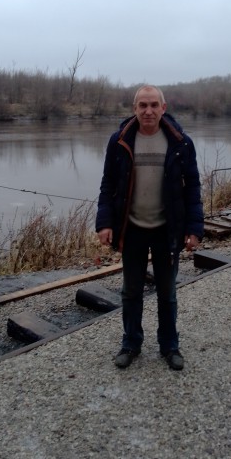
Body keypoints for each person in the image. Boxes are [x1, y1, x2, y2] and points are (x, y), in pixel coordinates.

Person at [96, 85, 204, 370]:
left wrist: (194, 228)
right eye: (142, 105)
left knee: (167, 293)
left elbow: (193, 188)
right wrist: (105, 223)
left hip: (167, 230)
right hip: (132, 228)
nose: (148, 111)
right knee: (131, 291)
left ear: (163, 108)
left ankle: (170, 345)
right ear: (134, 108)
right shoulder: (120, 141)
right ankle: (131, 343)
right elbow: (108, 184)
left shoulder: (181, 142)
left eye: (154, 105)